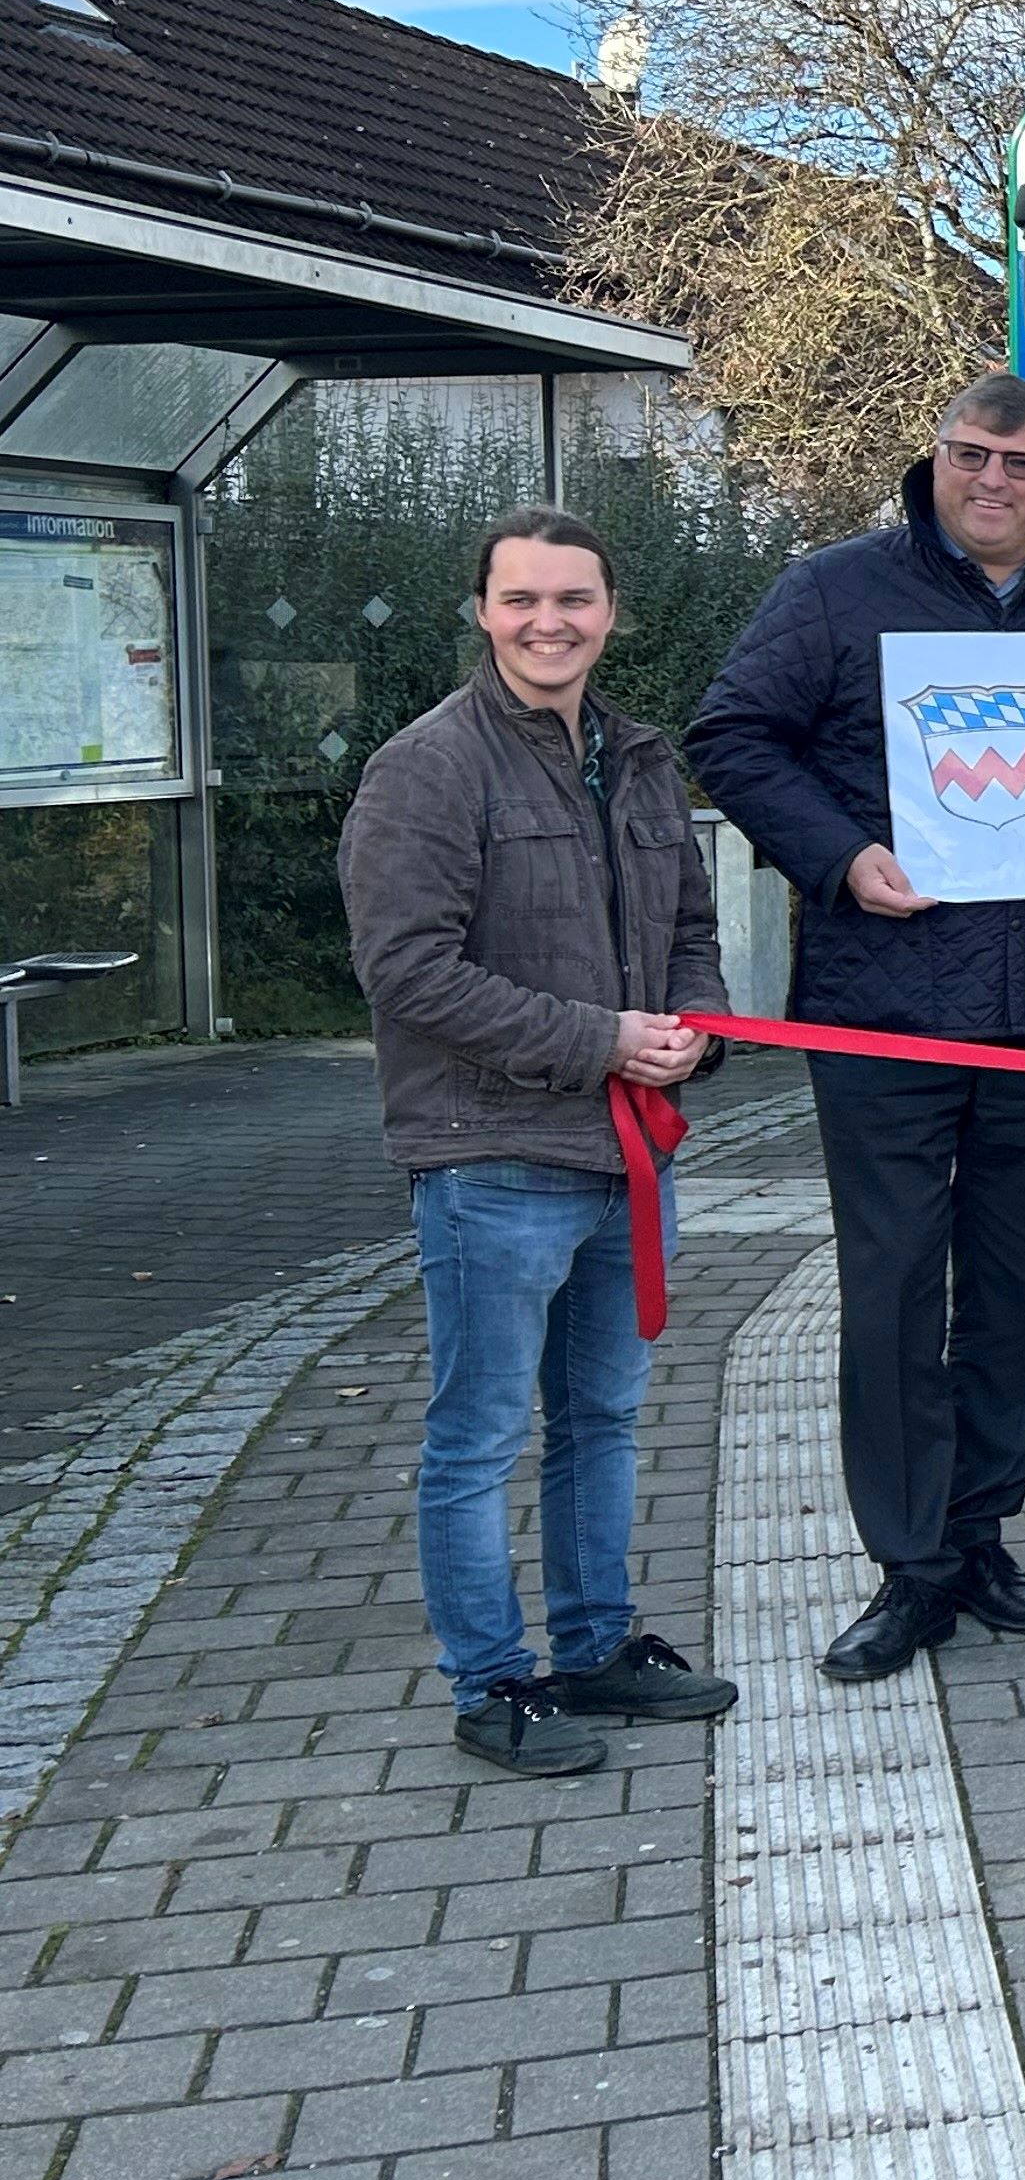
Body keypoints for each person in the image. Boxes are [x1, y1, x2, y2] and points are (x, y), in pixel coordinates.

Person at [689, 373, 1025, 1685]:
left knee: (1024, 1292)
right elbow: (731, 736)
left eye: (1023, 465)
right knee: (895, 1290)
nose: (995, 482)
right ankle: (908, 1565)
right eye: (973, 455)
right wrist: (841, 857)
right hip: (888, 1007)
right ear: (937, 458)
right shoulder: (837, 589)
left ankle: (978, 1529)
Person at [339, 508, 741, 1778]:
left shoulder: (637, 753)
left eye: (573, 599)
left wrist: (694, 1029)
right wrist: (599, 1039)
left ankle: (596, 1648)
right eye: (522, 601)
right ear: (482, 611)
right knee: (477, 1436)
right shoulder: (429, 767)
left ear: (609, 611)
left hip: (630, 1152)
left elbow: (688, 923)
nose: (549, 622)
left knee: (604, 1419)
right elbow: (406, 971)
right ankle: (492, 1682)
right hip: (492, 1154)